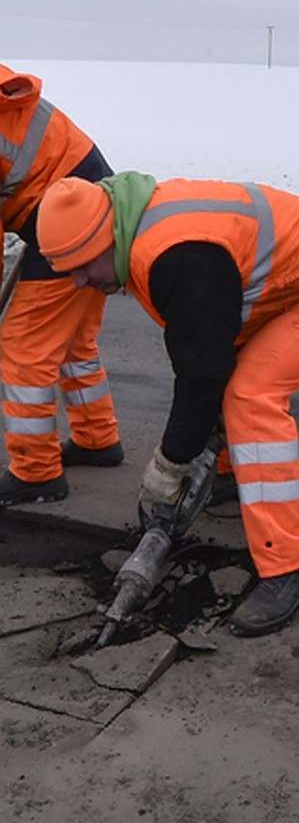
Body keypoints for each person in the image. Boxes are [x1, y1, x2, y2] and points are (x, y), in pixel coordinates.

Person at [36, 172, 299, 637]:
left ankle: (291, 567)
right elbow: (205, 352)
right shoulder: (134, 225)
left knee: (250, 395)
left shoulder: (176, 254)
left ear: (104, 237)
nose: (79, 282)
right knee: (226, 376)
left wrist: (169, 463)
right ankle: (234, 474)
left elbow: (201, 376)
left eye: (81, 266)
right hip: (283, 284)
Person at [0, 64, 123, 506]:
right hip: (92, 206)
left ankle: (36, 473)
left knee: (22, 345)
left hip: (69, 217)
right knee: (72, 340)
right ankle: (97, 439)